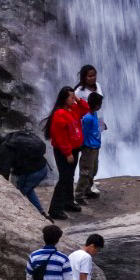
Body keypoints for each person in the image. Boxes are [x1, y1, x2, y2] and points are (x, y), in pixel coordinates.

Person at [45, 86, 84, 219]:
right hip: (64, 151)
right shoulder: (59, 114)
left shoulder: (73, 109)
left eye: (74, 97)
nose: (73, 99)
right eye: (71, 97)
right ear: (64, 98)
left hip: (74, 148)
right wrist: (68, 153)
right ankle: (55, 209)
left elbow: (85, 110)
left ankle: (68, 202)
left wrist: (78, 100)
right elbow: (60, 136)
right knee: (64, 177)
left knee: (70, 176)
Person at [0, 128, 51, 218]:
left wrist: (2, 186)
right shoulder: (13, 138)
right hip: (43, 168)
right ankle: (42, 213)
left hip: (30, 173)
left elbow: (4, 170)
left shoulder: (5, 148)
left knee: (17, 195)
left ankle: (15, 215)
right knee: (28, 190)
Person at [73, 65, 105, 196]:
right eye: (89, 76)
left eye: (94, 75)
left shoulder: (98, 86)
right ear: (84, 77)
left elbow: (100, 105)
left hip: (96, 122)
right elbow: (74, 109)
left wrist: (101, 123)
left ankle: (89, 183)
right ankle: (82, 190)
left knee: (94, 159)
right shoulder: (78, 91)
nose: (93, 78)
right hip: (85, 124)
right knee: (87, 159)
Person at [75, 93, 104, 205]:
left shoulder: (94, 114)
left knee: (93, 170)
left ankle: (87, 189)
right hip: (88, 148)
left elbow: (94, 128)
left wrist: (102, 126)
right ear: (96, 105)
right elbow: (84, 133)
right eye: (100, 104)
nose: (101, 106)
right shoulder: (87, 118)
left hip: (96, 147)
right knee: (86, 171)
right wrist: (81, 146)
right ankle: (79, 195)